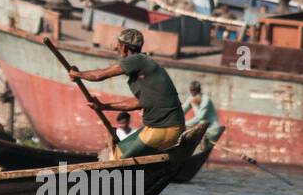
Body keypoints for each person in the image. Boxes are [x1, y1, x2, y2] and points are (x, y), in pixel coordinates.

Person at [69, 28, 184, 159]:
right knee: (118, 149)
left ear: (123, 47)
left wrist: (77, 74)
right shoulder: (143, 66)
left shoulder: (136, 60)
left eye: (118, 45)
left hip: (162, 129)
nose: (116, 49)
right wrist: (104, 106)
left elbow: (99, 75)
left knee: (115, 158)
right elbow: (138, 103)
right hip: (170, 129)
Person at [183, 81, 225, 152]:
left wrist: (184, 124)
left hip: (211, 130)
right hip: (202, 129)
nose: (192, 93)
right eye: (191, 91)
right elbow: (183, 109)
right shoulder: (191, 98)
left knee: (199, 149)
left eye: (193, 91)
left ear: (198, 90)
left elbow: (200, 117)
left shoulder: (206, 100)